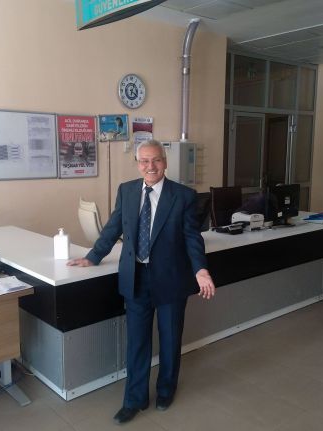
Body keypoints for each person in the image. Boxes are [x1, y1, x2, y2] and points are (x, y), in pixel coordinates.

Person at [67, 139, 215, 424]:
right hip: (135, 278)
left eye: (156, 160)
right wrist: (93, 257)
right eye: (144, 161)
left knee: (170, 339)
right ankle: (134, 399)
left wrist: (200, 270)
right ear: (137, 164)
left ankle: (166, 390)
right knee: (137, 342)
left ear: (165, 162)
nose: (151, 166)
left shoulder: (183, 196)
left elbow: (192, 237)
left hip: (171, 279)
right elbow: (113, 227)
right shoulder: (127, 191)